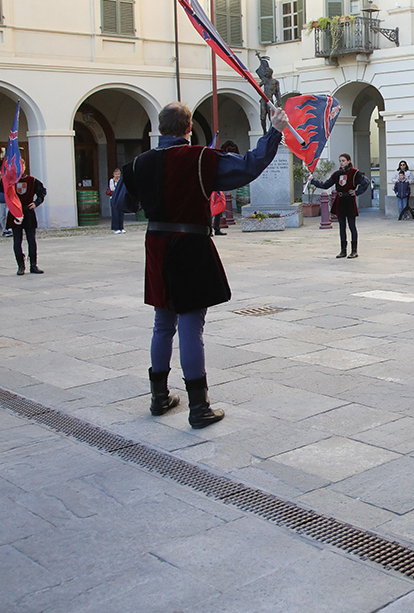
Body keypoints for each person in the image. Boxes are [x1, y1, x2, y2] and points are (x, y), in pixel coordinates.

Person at [118, 100, 289, 429]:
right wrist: (275, 132)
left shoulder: (140, 163)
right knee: (191, 326)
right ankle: (199, 407)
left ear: (159, 129)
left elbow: (123, 202)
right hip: (190, 245)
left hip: (156, 245)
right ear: (188, 128)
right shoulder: (200, 158)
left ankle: (158, 397)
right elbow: (248, 167)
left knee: (162, 324)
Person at [0, 159, 46, 275]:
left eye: (21, 165)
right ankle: (20, 266)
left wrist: (36, 203)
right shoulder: (9, 181)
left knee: (31, 239)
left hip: (28, 212)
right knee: (17, 240)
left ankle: (33, 265)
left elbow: (42, 192)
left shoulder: (32, 180)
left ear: (25, 166)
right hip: (15, 212)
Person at [311, 153, 370, 259]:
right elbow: (326, 185)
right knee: (342, 227)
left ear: (348, 161)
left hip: (349, 200)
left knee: (352, 226)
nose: (341, 163)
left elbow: (365, 182)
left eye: (343, 160)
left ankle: (354, 251)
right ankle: (343, 250)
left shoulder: (355, 173)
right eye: (340, 161)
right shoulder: (337, 174)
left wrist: (357, 192)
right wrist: (313, 181)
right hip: (340, 200)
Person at [106, 168, 126, 234]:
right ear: (113, 174)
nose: (117, 175)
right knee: (115, 213)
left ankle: (121, 227)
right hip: (114, 198)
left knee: (121, 213)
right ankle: (116, 228)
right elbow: (112, 188)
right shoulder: (112, 181)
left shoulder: (121, 181)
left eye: (118, 174)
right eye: (116, 174)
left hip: (120, 198)